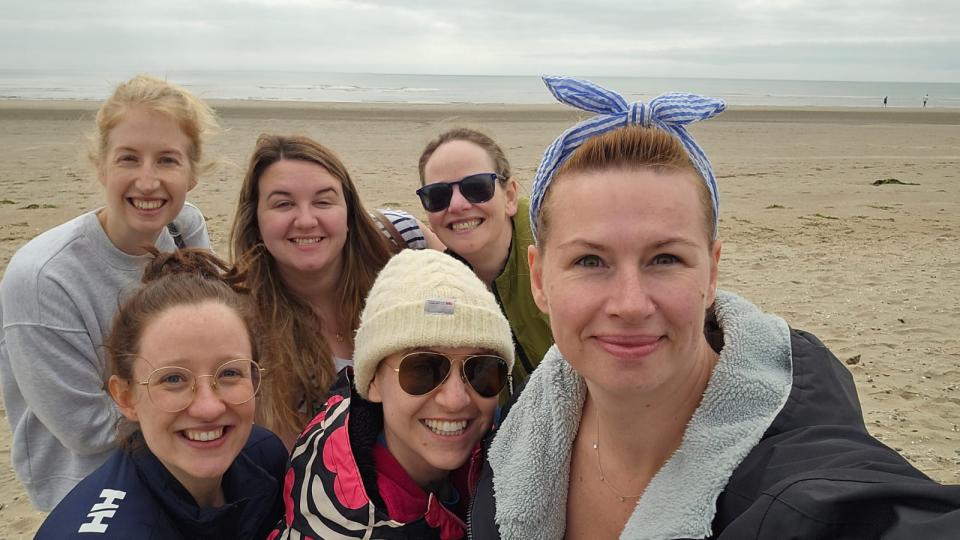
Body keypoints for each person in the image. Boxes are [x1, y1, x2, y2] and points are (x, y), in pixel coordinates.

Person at [471, 77, 960, 538]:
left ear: (711, 273)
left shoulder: (796, 482)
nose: (630, 303)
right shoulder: (515, 437)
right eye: (590, 260)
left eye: (665, 258)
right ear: (539, 279)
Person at [0, 74, 215, 510]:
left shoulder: (184, 227)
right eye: (129, 159)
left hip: (185, 463)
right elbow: (86, 428)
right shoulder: (43, 279)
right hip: (90, 488)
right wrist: (208, 412)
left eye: (168, 160)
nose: (149, 181)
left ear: (192, 173)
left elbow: (207, 340)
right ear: (100, 165)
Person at [36, 249, 287, 539]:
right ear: (126, 397)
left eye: (229, 373)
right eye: (173, 379)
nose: (208, 408)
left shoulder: (263, 455)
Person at [270, 248, 515, 539]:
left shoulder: (508, 451)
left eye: (482, 370)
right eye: (423, 369)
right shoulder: (340, 527)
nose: (456, 399)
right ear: (372, 382)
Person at [230, 134, 442, 448]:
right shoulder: (244, 326)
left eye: (323, 201)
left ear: (349, 212)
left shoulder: (404, 242)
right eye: (283, 204)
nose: (305, 220)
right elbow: (284, 457)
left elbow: (475, 310)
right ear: (256, 220)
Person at [417, 128, 552, 384]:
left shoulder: (557, 248)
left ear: (510, 196)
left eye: (477, 187)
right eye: (438, 195)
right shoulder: (442, 289)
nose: (457, 205)